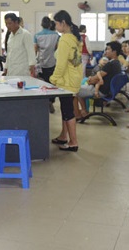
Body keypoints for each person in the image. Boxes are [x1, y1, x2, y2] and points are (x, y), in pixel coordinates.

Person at [49, 10, 83, 152]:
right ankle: (64, 136)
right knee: (65, 108)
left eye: (56, 23)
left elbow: (61, 64)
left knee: (68, 111)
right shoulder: (73, 38)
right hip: (74, 78)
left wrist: (53, 79)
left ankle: (73, 142)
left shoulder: (64, 40)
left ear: (63, 23)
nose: (56, 26)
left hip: (67, 81)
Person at [74, 41, 122, 119]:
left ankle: (78, 114)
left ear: (114, 51)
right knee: (81, 87)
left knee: (74, 91)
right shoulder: (117, 64)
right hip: (107, 90)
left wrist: (90, 79)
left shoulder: (110, 64)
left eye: (108, 49)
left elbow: (96, 77)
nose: (106, 51)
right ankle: (84, 111)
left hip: (101, 91)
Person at [34, 16, 59, 112]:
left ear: (41, 24)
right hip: (52, 62)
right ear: (50, 25)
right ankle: (51, 101)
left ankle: (43, 102)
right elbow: (57, 49)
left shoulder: (37, 36)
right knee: (51, 84)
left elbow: (35, 50)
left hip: (41, 63)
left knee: (41, 83)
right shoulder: (56, 35)